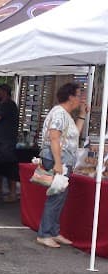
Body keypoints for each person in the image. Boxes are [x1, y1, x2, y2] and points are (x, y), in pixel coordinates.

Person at [36, 82, 87, 248]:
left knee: (59, 196)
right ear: (70, 96)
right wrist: (58, 162)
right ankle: (45, 234)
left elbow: (73, 136)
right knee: (56, 196)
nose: (81, 98)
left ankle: (53, 231)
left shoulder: (65, 114)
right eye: (79, 95)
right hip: (58, 159)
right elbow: (54, 137)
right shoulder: (59, 113)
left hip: (63, 159)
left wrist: (82, 115)